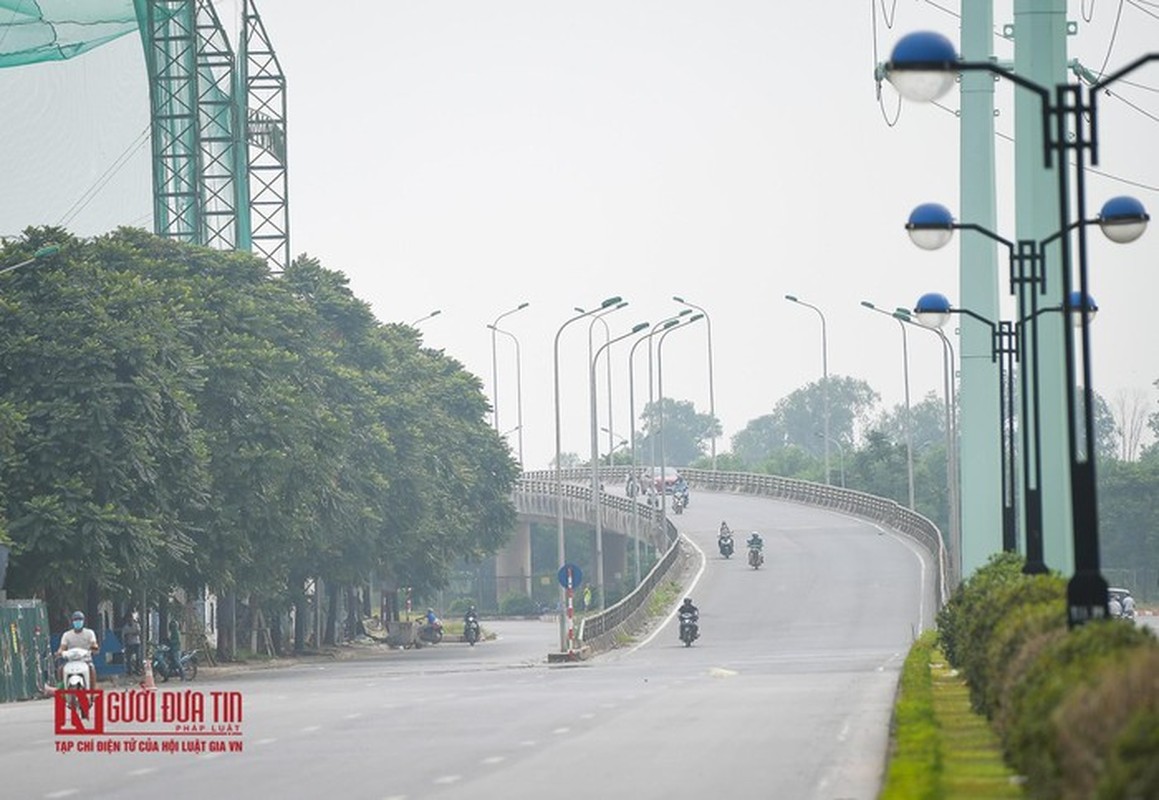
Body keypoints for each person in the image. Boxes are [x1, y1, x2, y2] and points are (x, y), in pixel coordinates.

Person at [57, 610, 99, 689]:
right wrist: (60, 652)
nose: (78, 622)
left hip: (85, 660)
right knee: (60, 669)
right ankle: (61, 691)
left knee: (92, 669)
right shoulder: (67, 635)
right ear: (72, 622)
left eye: (80, 620)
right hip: (71, 661)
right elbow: (62, 647)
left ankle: (92, 691)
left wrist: (94, 648)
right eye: (75, 620)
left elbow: (94, 644)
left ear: (83, 621)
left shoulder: (89, 633)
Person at [121, 611, 142, 676]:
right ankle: (130, 671)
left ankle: (138, 670)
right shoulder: (125, 627)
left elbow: (138, 632)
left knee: (138, 657)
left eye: (130, 618)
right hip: (129, 643)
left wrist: (130, 634)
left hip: (136, 643)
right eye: (128, 618)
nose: (129, 620)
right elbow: (123, 635)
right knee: (128, 658)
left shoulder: (136, 625)